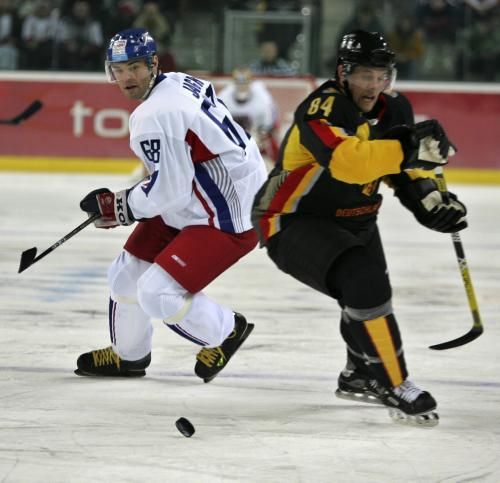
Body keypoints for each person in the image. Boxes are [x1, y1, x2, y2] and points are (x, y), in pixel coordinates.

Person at [251, 30, 467, 427]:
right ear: (343, 73)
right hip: (292, 220)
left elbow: (404, 170)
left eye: (381, 75)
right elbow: (348, 162)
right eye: (364, 75)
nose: (373, 85)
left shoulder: (395, 108)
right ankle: (394, 383)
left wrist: (430, 200)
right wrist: (408, 149)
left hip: (358, 218)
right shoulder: (320, 109)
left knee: (367, 296)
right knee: (364, 283)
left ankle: (360, 373)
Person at [75, 28, 267, 382]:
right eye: (120, 69)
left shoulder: (153, 116)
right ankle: (129, 356)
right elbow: (177, 176)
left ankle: (226, 331)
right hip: (206, 194)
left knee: (156, 292)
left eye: (135, 67)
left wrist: (119, 207)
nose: (128, 77)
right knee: (126, 274)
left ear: (153, 65)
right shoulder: (177, 82)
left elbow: (170, 192)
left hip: (226, 214)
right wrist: (124, 204)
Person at [218, 67, 280, 165]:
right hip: (233, 138)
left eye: (245, 81)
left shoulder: (262, 99)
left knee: (271, 145)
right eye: (238, 82)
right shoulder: (224, 97)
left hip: (255, 134)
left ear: (251, 82)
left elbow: (268, 126)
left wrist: (261, 137)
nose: (242, 86)